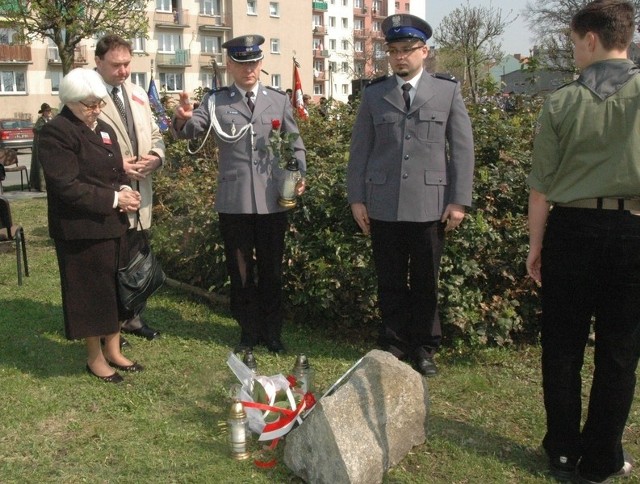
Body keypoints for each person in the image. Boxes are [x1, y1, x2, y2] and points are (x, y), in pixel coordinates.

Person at [526, 1, 639, 481]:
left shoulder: (560, 101)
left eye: (573, 43)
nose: (572, 53)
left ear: (590, 38)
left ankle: (563, 452)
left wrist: (536, 246)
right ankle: (602, 457)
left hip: (570, 232)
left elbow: (540, 189)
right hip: (633, 231)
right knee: (619, 350)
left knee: (563, 347)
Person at [346, 13, 475, 377]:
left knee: (425, 281)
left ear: (424, 51)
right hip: (383, 202)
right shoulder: (374, 94)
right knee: (388, 278)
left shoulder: (447, 90)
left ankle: (424, 346)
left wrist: (458, 200)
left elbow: (462, 148)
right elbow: (360, 150)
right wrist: (356, 198)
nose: (400, 57)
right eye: (393, 51)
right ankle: (392, 343)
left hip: (430, 204)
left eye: (407, 50)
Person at [173, 34, 306, 354]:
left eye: (253, 63)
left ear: (260, 64)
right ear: (230, 65)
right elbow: (191, 131)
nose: (248, 69)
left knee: (273, 270)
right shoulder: (216, 101)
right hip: (234, 200)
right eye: (241, 63)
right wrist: (182, 117)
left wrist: (299, 173)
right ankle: (248, 330)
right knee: (241, 270)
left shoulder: (278, 100)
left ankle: (272, 332)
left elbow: (294, 142)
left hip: (273, 197)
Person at [38, 68, 144, 383]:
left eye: (98, 103)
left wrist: (125, 190)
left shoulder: (104, 128)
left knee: (113, 291)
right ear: (69, 101)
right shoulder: (56, 132)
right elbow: (66, 186)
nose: (95, 109)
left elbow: (114, 169)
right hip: (80, 229)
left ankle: (113, 350)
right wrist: (114, 199)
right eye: (88, 104)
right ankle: (94, 358)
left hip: (112, 225)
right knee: (91, 294)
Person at [95, 34, 165, 342]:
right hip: (108, 193)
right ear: (98, 62)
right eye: (116, 65)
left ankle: (133, 317)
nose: (123, 71)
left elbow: (155, 132)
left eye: (127, 64)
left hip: (142, 191)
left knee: (137, 258)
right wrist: (118, 163)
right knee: (111, 261)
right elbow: (81, 146)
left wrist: (157, 158)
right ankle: (109, 326)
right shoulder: (87, 94)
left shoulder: (137, 92)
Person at [31, 102, 53, 192]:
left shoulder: (50, 120)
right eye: (46, 111)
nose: (48, 113)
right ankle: (41, 186)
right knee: (40, 165)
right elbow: (36, 129)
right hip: (40, 145)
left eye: (49, 111)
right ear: (43, 112)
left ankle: (49, 185)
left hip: (49, 145)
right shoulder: (40, 121)